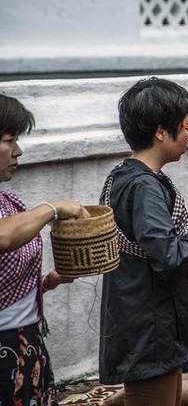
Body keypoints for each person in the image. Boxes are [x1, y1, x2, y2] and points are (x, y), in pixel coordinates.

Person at [97, 78, 188, 406]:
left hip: (148, 323)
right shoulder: (144, 187)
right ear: (162, 132)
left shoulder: (125, 176)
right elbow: (167, 256)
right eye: (187, 125)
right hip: (150, 328)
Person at [0, 95, 87, 406]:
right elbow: (3, 236)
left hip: (26, 342)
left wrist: (48, 282)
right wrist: (52, 208)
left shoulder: (9, 203)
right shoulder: (19, 214)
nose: (18, 150)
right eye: (10, 140)